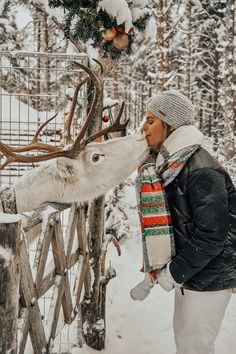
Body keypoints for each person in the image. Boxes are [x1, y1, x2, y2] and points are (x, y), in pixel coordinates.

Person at [130, 90, 236, 354]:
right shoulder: (174, 164)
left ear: (170, 125)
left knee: (194, 346)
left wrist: (173, 273)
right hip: (197, 272)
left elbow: (212, 236)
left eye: (151, 120)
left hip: (210, 277)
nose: (144, 127)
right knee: (187, 341)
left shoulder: (201, 170)